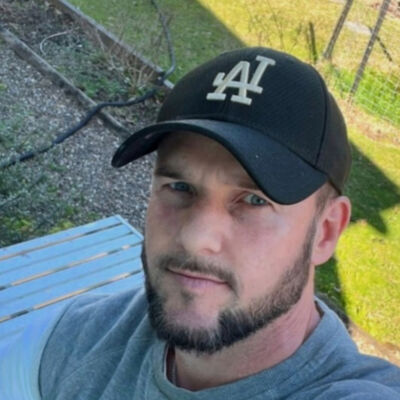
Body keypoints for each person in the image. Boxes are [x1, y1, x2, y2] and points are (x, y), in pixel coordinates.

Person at [1, 47, 400, 399]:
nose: (195, 238)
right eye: (179, 186)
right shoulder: (78, 343)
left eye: (254, 200)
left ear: (325, 232)